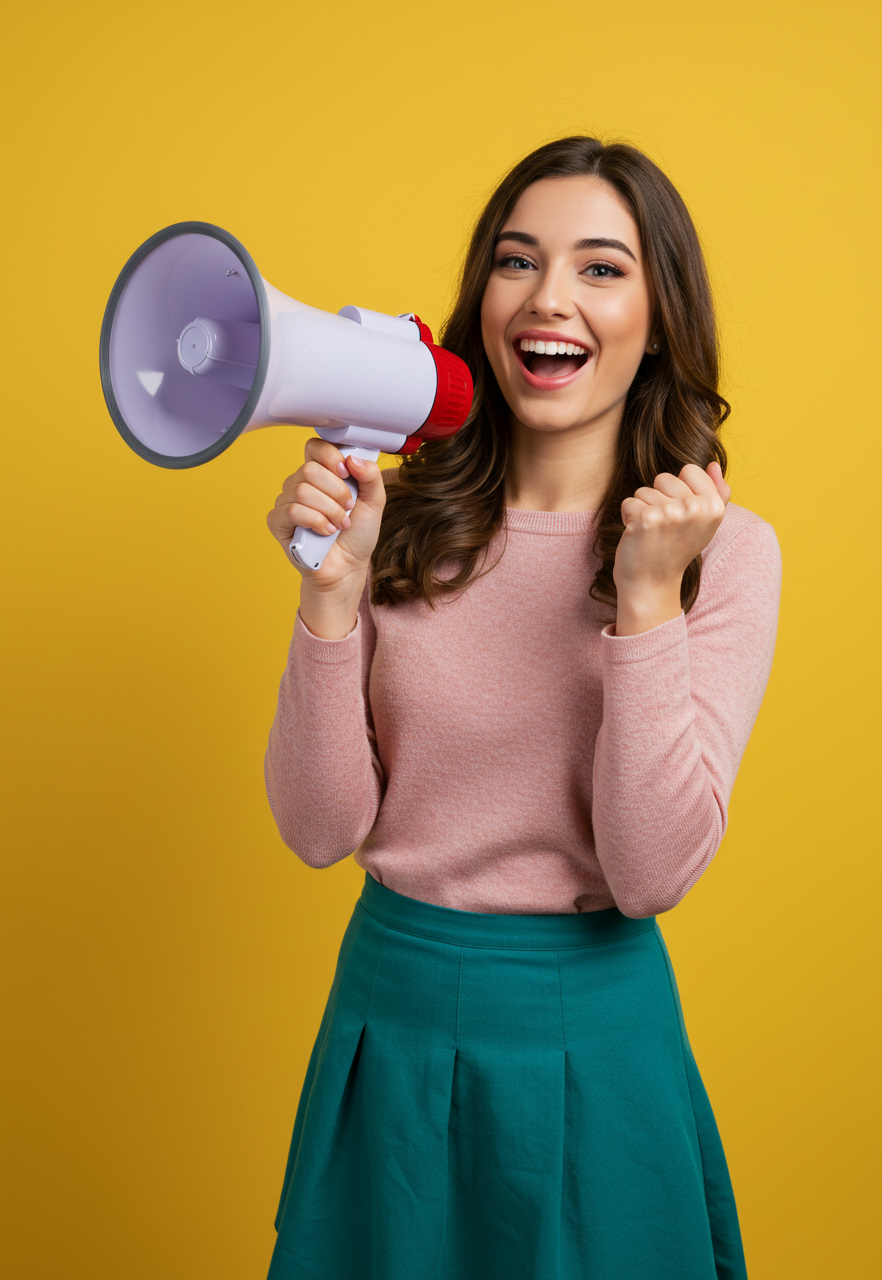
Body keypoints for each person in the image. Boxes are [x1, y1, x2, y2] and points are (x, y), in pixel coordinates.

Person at [262, 136, 781, 1280]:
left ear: (658, 317)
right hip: (385, 1030)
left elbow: (647, 873)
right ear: (480, 299)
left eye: (600, 268)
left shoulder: (722, 555)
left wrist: (644, 602)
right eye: (516, 260)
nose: (548, 297)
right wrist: (331, 594)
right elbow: (316, 827)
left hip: (597, 1044)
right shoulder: (389, 518)